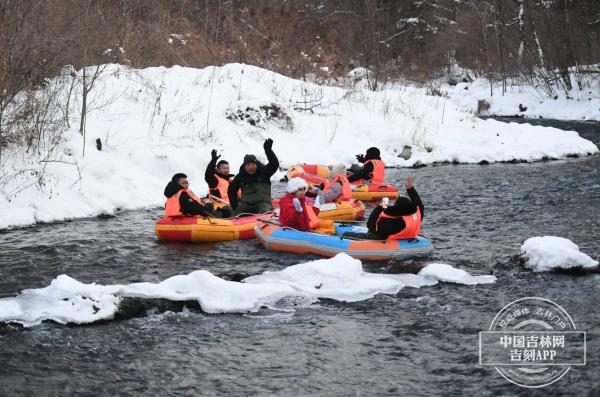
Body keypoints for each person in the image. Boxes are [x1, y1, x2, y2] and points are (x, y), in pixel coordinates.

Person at [343, 177, 423, 240]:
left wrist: (381, 206)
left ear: (396, 207)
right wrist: (410, 189)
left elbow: (371, 225)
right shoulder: (417, 214)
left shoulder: (392, 222)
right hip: (405, 236)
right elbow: (419, 204)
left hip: (380, 238)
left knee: (345, 234)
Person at [228, 138, 279, 215]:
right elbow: (231, 190)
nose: (250, 167)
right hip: (246, 205)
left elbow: (274, 164)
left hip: (263, 204)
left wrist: (268, 150)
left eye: (253, 164)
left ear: (256, 164)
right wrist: (235, 206)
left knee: (265, 211)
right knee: (237, 213)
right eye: (248, 165)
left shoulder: (264, 172)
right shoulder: (241, 176)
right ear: (244, 166)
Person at [163, 173, 232, 218]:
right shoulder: (182, 195)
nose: (186, 185)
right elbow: (194, 207)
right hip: (190, 220)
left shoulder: (171, 194)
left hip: (174, 219)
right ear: (176, 184)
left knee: (214, 207)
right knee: (226, 210)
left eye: (187, 183)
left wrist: (203, 202)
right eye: (184, 183)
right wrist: (208, 212)